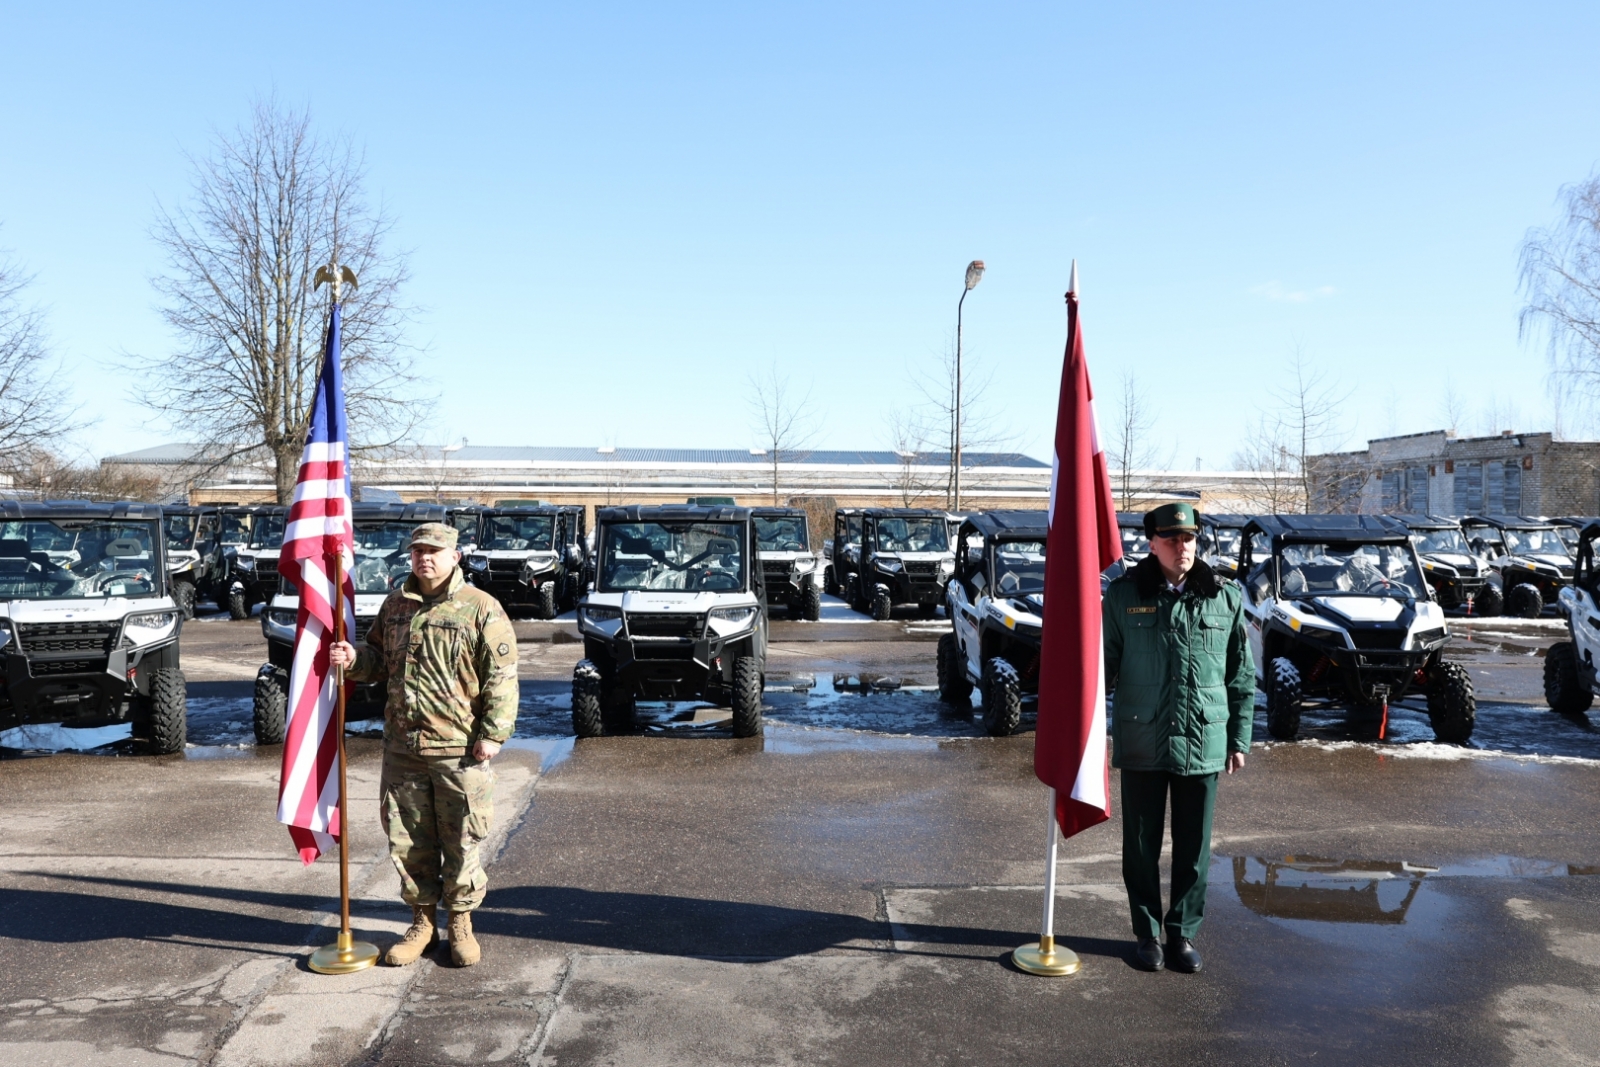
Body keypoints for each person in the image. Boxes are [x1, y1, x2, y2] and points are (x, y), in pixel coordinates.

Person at [328, 522, 519, 967]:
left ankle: (461, 923)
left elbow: (502, 679)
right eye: (417, 551)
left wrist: (493, 734)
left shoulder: (481, 609)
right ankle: (422, 922)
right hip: (404, 749)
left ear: (455, 556)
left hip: (459, 750)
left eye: (434, 551)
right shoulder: (396, 606)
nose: (424, 558)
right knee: (409, 842)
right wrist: (355, 659)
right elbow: (379, 661)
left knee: (461, 841)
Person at [1101, 502, 1253, 974]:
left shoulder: (1224, 597)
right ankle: (1147, 933)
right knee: (1141, 845)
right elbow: (1101, 670)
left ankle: (1182, 933)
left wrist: (1238, 739)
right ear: (1151, 543)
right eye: (1171, 539)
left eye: (1189, 538)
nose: (1182, 547)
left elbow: (1240, 677)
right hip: (1143, 737)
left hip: (1203, 738)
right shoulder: (1124, 597)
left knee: (1193, 847)